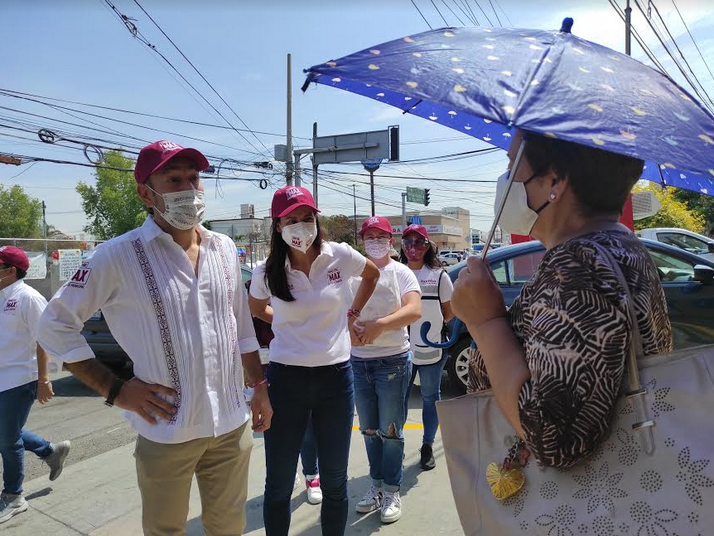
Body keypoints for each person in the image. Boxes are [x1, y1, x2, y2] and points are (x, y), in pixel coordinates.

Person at [37, 140, 271, 536]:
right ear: (145, 192)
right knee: (165, 530)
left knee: (230, 527)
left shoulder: (224, 248)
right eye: (174, 180)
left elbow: (241, 327)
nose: (189, 190)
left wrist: (260, 386)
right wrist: (115, 389)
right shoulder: (117, 255)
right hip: (167, 431)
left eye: (194, 179)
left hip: (231, 423)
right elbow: (53, 325)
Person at [451, 130, 672, 469]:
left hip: (591, 512)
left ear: (554, 180)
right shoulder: (620, 246)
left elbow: (556, 439)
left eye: (512, 164)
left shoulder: (579, 265)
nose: (506, 178)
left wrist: (486, 322)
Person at [248, 185, 380, 536]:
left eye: (308, 218)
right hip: (285, 380)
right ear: (278, 226)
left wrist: (351, 315)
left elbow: (372, 275)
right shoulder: (266, 271)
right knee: (278, 482)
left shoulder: (339, 255)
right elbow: (255, 307)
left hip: (335, 379)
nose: (301, 226)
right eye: (292, 220)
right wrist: (284, 321)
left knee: (336, 481)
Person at [350, 216, 422, 524]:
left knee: (390, 431)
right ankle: (376, 485)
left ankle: (392, 489)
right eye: (370, 236)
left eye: (381, 235)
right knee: (368, 430)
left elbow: (414, 309)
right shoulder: (352, 273)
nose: (375, 240)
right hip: (359, 360)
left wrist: (380, 326)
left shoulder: (400, 272)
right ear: (362, 240)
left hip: (392, 361)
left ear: (390, 241)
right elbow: (340, 308)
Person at [0, 246, 70, 524]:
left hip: (21, 377)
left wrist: (44, 379)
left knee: (7, 439)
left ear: (10, 271)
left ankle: (14, 497)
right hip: (2, 375)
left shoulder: (28, 297)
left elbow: (44, 339)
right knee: (6, 432)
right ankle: (50, 451)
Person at [400, 225, 454, 471]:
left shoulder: (440, 276)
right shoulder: (395, 274)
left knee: (430, 398)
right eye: (408, 242)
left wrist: (433, 331)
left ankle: (427, 446)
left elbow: (449, 312)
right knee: (397, 399)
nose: (413, 248)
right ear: (402, 246)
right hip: (400, 350)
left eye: (418, 242)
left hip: (432, 349)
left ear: (427, 245)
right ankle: (395, 444)